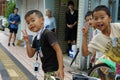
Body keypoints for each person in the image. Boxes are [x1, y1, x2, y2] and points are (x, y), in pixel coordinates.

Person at [22, 10, 64, 80]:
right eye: (28, 23)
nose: (30, 24)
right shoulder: (37, 38)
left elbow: (58, 50)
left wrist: (60, 68)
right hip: (47, 70)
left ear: (42, 20)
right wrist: (27, 41)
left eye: (33, 20)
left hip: (54, 71)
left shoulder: (48, 34)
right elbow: (30, 54)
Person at [82, 5, 120, 80]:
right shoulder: (97, 39)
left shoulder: (117, 27)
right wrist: (85, 35)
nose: (99, 20)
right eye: (96, 19)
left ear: (110, 19)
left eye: (102, 17)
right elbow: (85, 53)